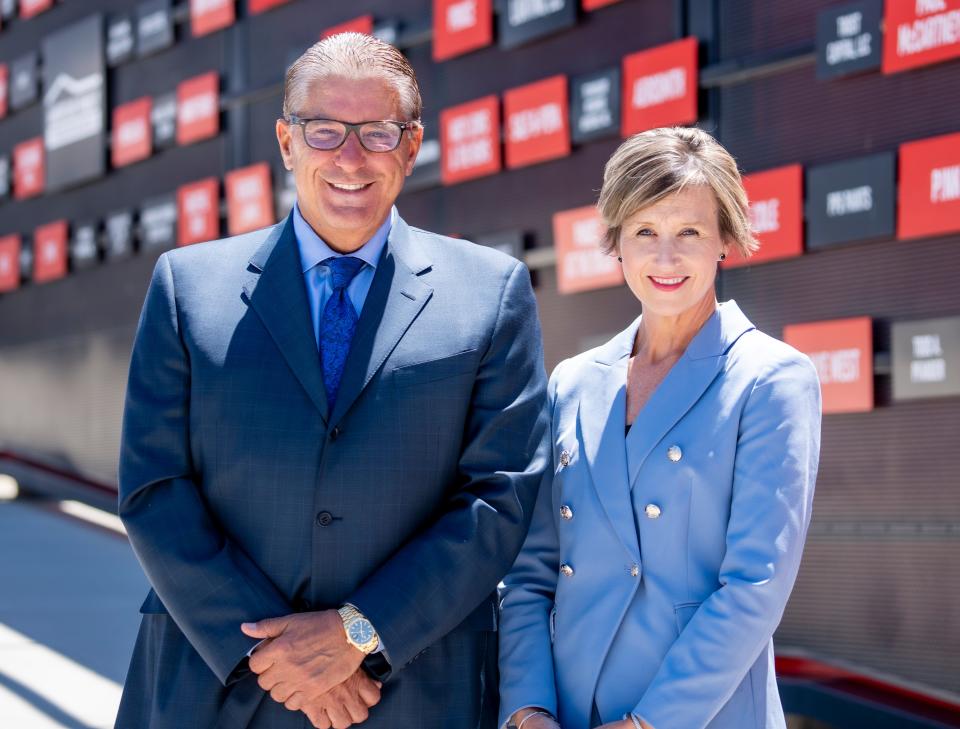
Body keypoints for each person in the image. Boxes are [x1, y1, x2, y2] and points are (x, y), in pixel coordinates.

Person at [116, 33, 548, 729]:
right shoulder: (185, 288)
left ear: (411, 147)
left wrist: (356, 633)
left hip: (412, 691)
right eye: (325, 131)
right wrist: (281, 657)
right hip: (216, 687)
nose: (350, 158)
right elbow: (153, 485)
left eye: (377, 133)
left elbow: (499, 497)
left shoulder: (491, 294)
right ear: (287, 142)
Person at [498, 126, 822, 729]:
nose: (665, 258)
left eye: (689, 233)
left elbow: (754, 586)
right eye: (644, 231)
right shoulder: (572, 381)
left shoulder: (771, 379)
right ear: (616, 242)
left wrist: (649, 724)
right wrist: (526, 707)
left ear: (726, 239)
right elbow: (529, 571)